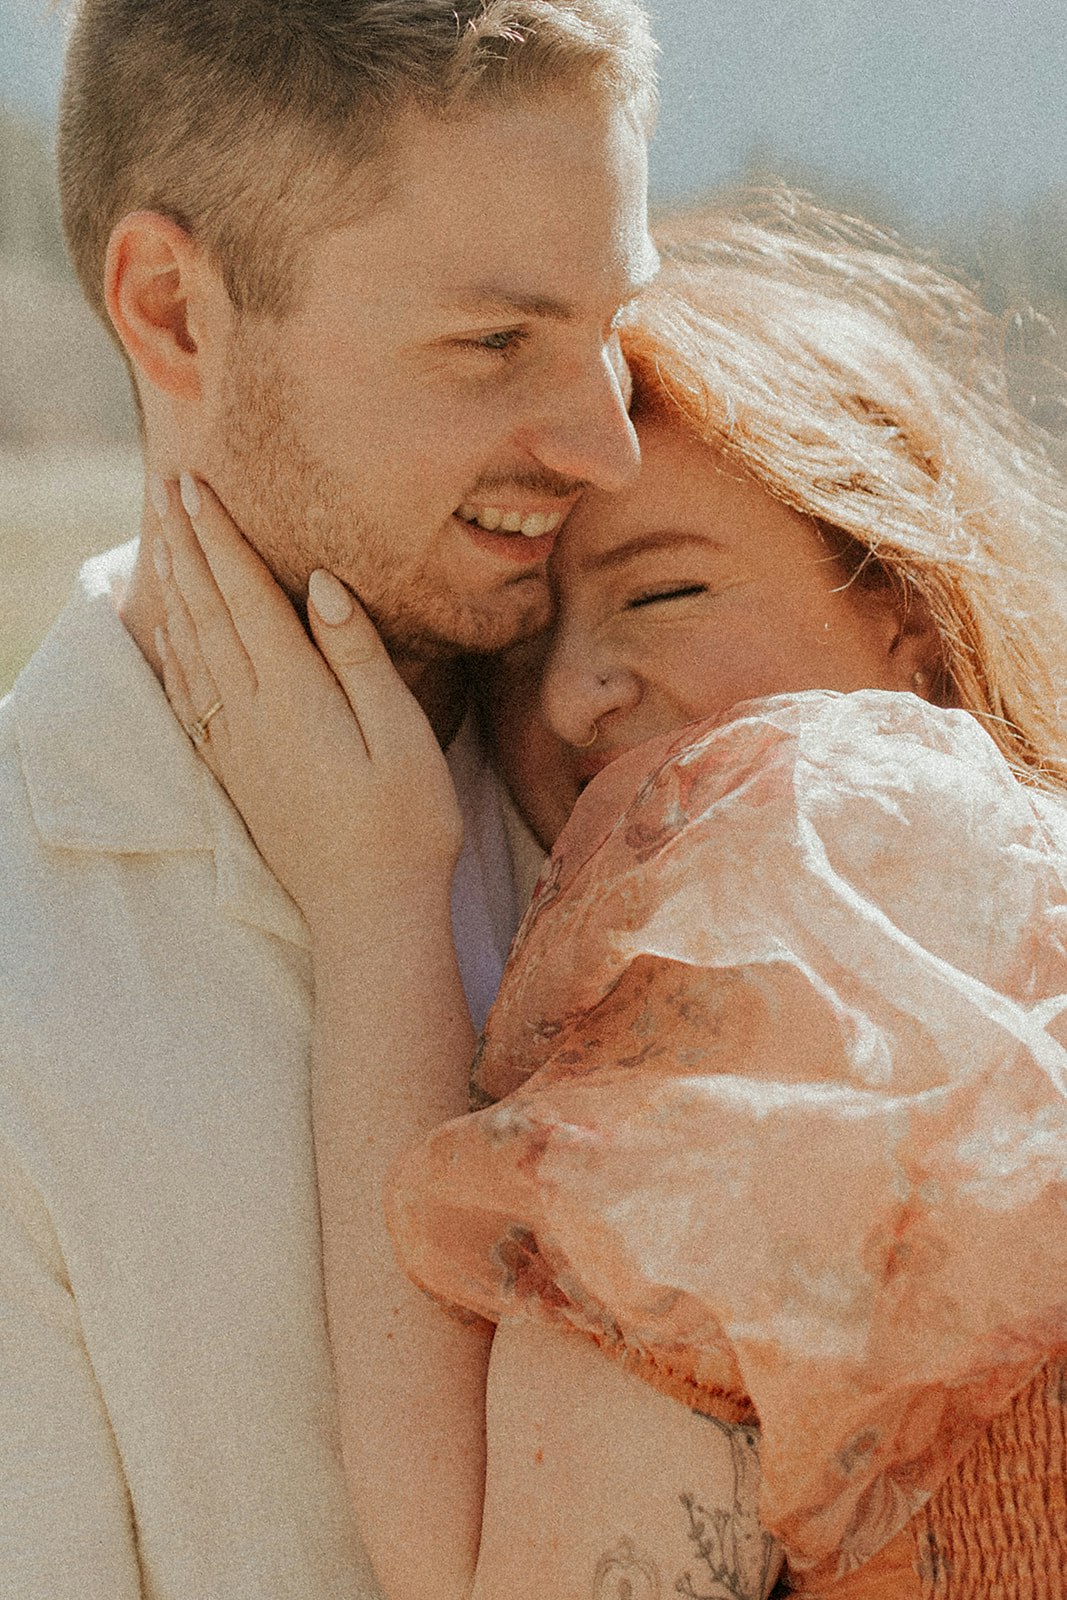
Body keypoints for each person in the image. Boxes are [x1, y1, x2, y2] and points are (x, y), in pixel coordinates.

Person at [153, 204, 1067, 1599]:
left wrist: (375, 896)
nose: (576, 693)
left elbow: (479, 1563)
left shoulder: (808, 852)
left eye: (665, 594)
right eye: (519, 653)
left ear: (901, 609)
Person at [0, 3, 660, 1596]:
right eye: (493, 345)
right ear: (174, 312)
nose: (609, 447)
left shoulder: (663, 780)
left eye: (615, 325)